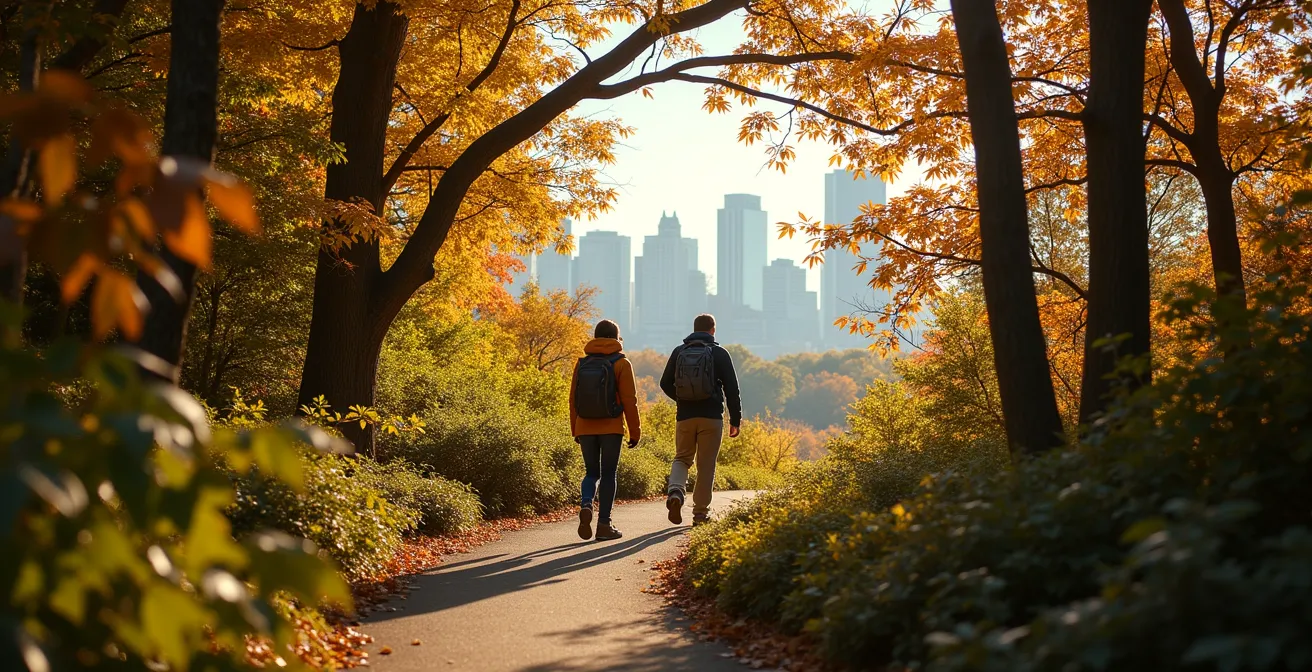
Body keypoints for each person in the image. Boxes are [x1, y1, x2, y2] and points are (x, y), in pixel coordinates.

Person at [659, 313, 741, 526]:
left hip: (685, 416)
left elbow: (664, 383)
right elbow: (732, 389)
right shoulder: (720, 353)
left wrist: (682, 399)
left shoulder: (679, 352)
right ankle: (700, 514)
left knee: (682, 458)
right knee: (705, 466)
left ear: (694, 328)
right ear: (713, 330)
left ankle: (676, 492)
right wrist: (735, 419)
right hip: (711, 417)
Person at [569, 319, 641, 541]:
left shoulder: (582, 363)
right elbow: (630, 401)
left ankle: (587, 503)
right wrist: (635, 432)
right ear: (616, 338)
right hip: (611, 427)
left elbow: (572, 400)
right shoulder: (622, 363)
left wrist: (576, 430)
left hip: (585, 425)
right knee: (609, 474)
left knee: (592, 473)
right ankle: (603, 525)